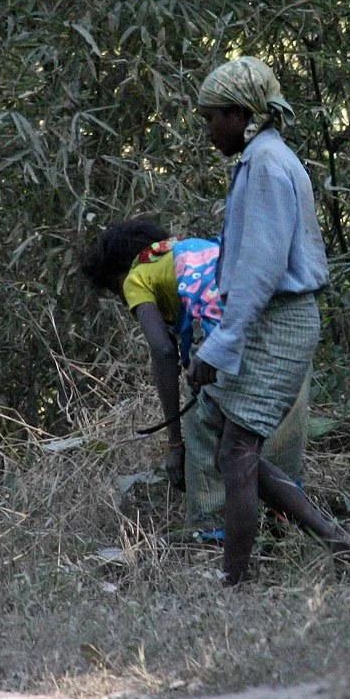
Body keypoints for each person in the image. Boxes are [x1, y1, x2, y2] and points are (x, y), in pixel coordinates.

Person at [190, 55, 350, 586]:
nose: (209, 128)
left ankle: (236, 581)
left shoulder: (266, 166)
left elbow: (260, 270)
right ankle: (339, 544)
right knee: (229, 438)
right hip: (275, 319)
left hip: (279, 320)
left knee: (237, 454)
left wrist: (220, 346)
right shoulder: (264, 159)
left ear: (242, 114)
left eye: (213, 116)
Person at [79, 217, 309, 537]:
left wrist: (175, 442)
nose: (124, 300)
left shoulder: (135, 277)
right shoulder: (193, 250)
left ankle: (213, 529)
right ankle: (286, 522)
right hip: (288, 319)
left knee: (205, 430)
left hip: (234, 335)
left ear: (119, 274)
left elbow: (162, 352)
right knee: (279, 426)